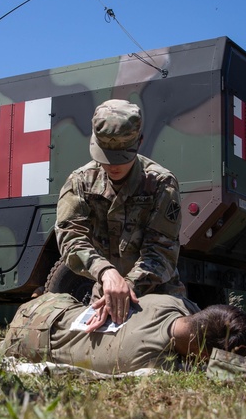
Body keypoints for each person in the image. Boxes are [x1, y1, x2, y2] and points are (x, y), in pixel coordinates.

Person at [55, 99, 185, 331]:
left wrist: (127, 285)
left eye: (122, 156)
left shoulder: (161, 184)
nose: (113, 165)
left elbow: (162, 251)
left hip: (157, 293)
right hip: (105, 295)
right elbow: (71, 238)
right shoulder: (80, 182)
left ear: (140, 142)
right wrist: (105, 272)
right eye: (106, 155)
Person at [0, 295, 246, 375]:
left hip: (48, 305)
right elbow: (223, 372)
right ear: (200, 349)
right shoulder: (151, 363)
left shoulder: (170, 301)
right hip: (29, 342)